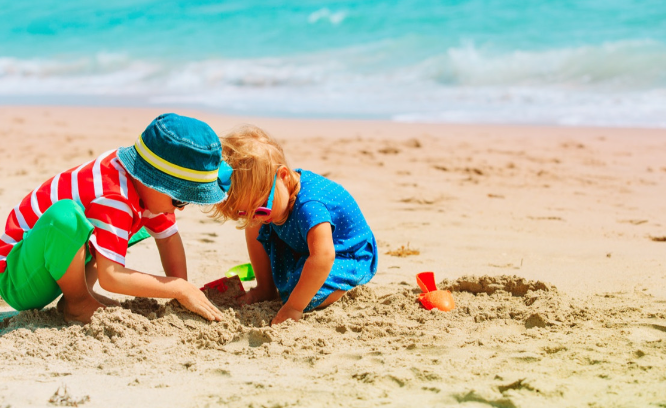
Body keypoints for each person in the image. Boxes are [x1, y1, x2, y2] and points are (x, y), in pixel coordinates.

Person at [0, 113, 228, 323]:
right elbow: (112, 277)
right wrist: (178, 287)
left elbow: (169, 238)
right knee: (66, 217)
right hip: (18, 276)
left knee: (130, 226)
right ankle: (78, 303)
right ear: (155, 181)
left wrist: (184, 292)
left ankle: (79, 295)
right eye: (180, 200)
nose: (181, 209)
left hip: (51, 263)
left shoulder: (144, 188)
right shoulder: (114, 195)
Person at [210, 125, 377, 325]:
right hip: (302, 245)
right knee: (256, 226)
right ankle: (266, 287)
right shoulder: (274, 202)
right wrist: (265, 287)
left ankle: (344, 288)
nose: (259, 217)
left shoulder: (310, 206)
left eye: (262, 208)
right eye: (247, 212)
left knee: (300, 293)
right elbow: (256, 219)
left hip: (345, 253)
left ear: (283, 176)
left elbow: (324, 256)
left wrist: (293, 307)